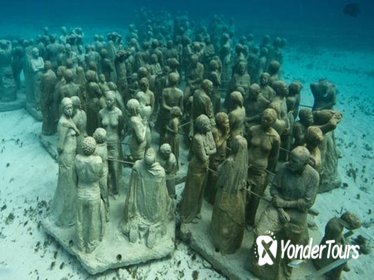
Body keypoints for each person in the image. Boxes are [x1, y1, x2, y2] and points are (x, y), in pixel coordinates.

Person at [250, 146, 319, 280]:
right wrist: (280, 209)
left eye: (295, 162)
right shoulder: (284, 168)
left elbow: (307, 203)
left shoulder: (313, 177)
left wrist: (285, 204)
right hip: (277, 206)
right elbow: (273, 189)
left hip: (297, 212)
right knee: (261, 231)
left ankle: (285, 269)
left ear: (305, 164)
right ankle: (260, 263)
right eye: (290, 159)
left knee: (292, 240)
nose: (290, 163)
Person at [121, 148, 173, 248]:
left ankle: (135, 224)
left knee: (133, 217)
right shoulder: (161, 172)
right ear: (155, 160)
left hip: (138, 206)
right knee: (163, 210)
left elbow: (132, 188)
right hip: (153, 211)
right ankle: (152, 229)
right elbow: (162, 194)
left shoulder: (137, 166)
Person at [210, 135, 248, 254]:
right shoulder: (243, 162)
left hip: (226, 193)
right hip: (237, 196)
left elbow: (221, 179)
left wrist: (218, 170)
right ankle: (231, 244)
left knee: (223, 218)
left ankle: (220, 243)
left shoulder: (230, 162)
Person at [246, 108, 280, 227]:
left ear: (274, 121)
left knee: (255, 198)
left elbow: (274, 157)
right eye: (263, 118)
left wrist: (267, 172)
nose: (265, 121)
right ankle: (238, 215)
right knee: (241, 193)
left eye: (268, 120)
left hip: (260, 171)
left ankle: (250, 220)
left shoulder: (275, 137)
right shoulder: (253, 129)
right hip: (246, 166)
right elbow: (246, 146)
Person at [179, 114, 216, 223]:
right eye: (207, 124)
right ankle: (187, 214)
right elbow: (203, 157)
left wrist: (208, 150)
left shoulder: (207, 133)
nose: (209, 126)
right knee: (192, 193)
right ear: (201, 125)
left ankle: (196, 212)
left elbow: (214, 149)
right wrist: (209, 150)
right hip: (196, 169)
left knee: (200, 192)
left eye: (209, 123)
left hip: (204, 168)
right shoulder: (197, 138)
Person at [52, 97, 79, 227]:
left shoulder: (68, 120)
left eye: (71, 108)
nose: (70, 110)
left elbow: (77, 132)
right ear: (62, 109)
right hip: (67, 155)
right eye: (67, 108)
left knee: (72, 181)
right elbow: (60, 145)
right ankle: (67, 214)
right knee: (68, 183)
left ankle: (72, 209)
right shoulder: (63, 123)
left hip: (72, 154)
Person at [74, 136, 105, 253]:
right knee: (93, 220)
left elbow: (74, 177)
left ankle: (80, 244)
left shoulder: (77, 159)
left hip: (81, 191)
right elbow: (100, 175)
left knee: (79, 219)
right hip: (93, 193)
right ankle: (91, 245)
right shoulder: (98, 161)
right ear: (94, 148)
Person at [98, 91, 124, 195]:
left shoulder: (118, 113)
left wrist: (118, 139)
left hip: (114, 142)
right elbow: (99, 127)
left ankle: (115, 190)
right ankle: (105, 188)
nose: (108, 102)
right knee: (104, 167)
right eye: (107, 99)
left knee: (114, 167)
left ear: (114, 101)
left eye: (111, 100)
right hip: (103, 143)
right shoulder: (101, 112)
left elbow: (121, 128)